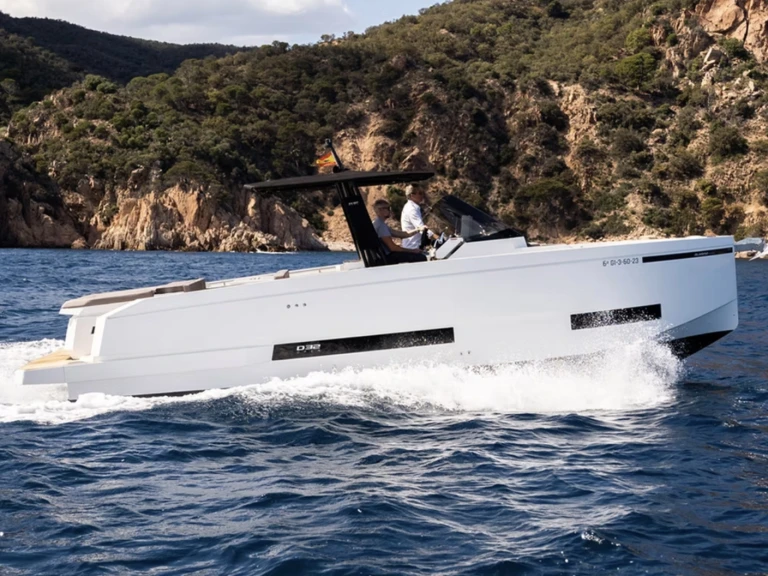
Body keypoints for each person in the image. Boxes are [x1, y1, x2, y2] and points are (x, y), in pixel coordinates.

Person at [372, 199, 427, 264]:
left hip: (386, 256)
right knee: (421, 257)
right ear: (381, 210)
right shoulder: (381, 226)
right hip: (388, 257)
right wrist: (413, 251)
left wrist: (418, 229)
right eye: (388, 208)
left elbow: (401, 234)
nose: (390, 210)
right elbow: (393, 247)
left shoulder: (379, 223)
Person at [401, 185, 437, 250]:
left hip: (415, 246)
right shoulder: (411, 209)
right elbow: (422, 229)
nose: (422, 195)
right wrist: (438, 238)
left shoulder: (412, 207)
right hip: (413, 247)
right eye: (420, 193)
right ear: (412, 195)